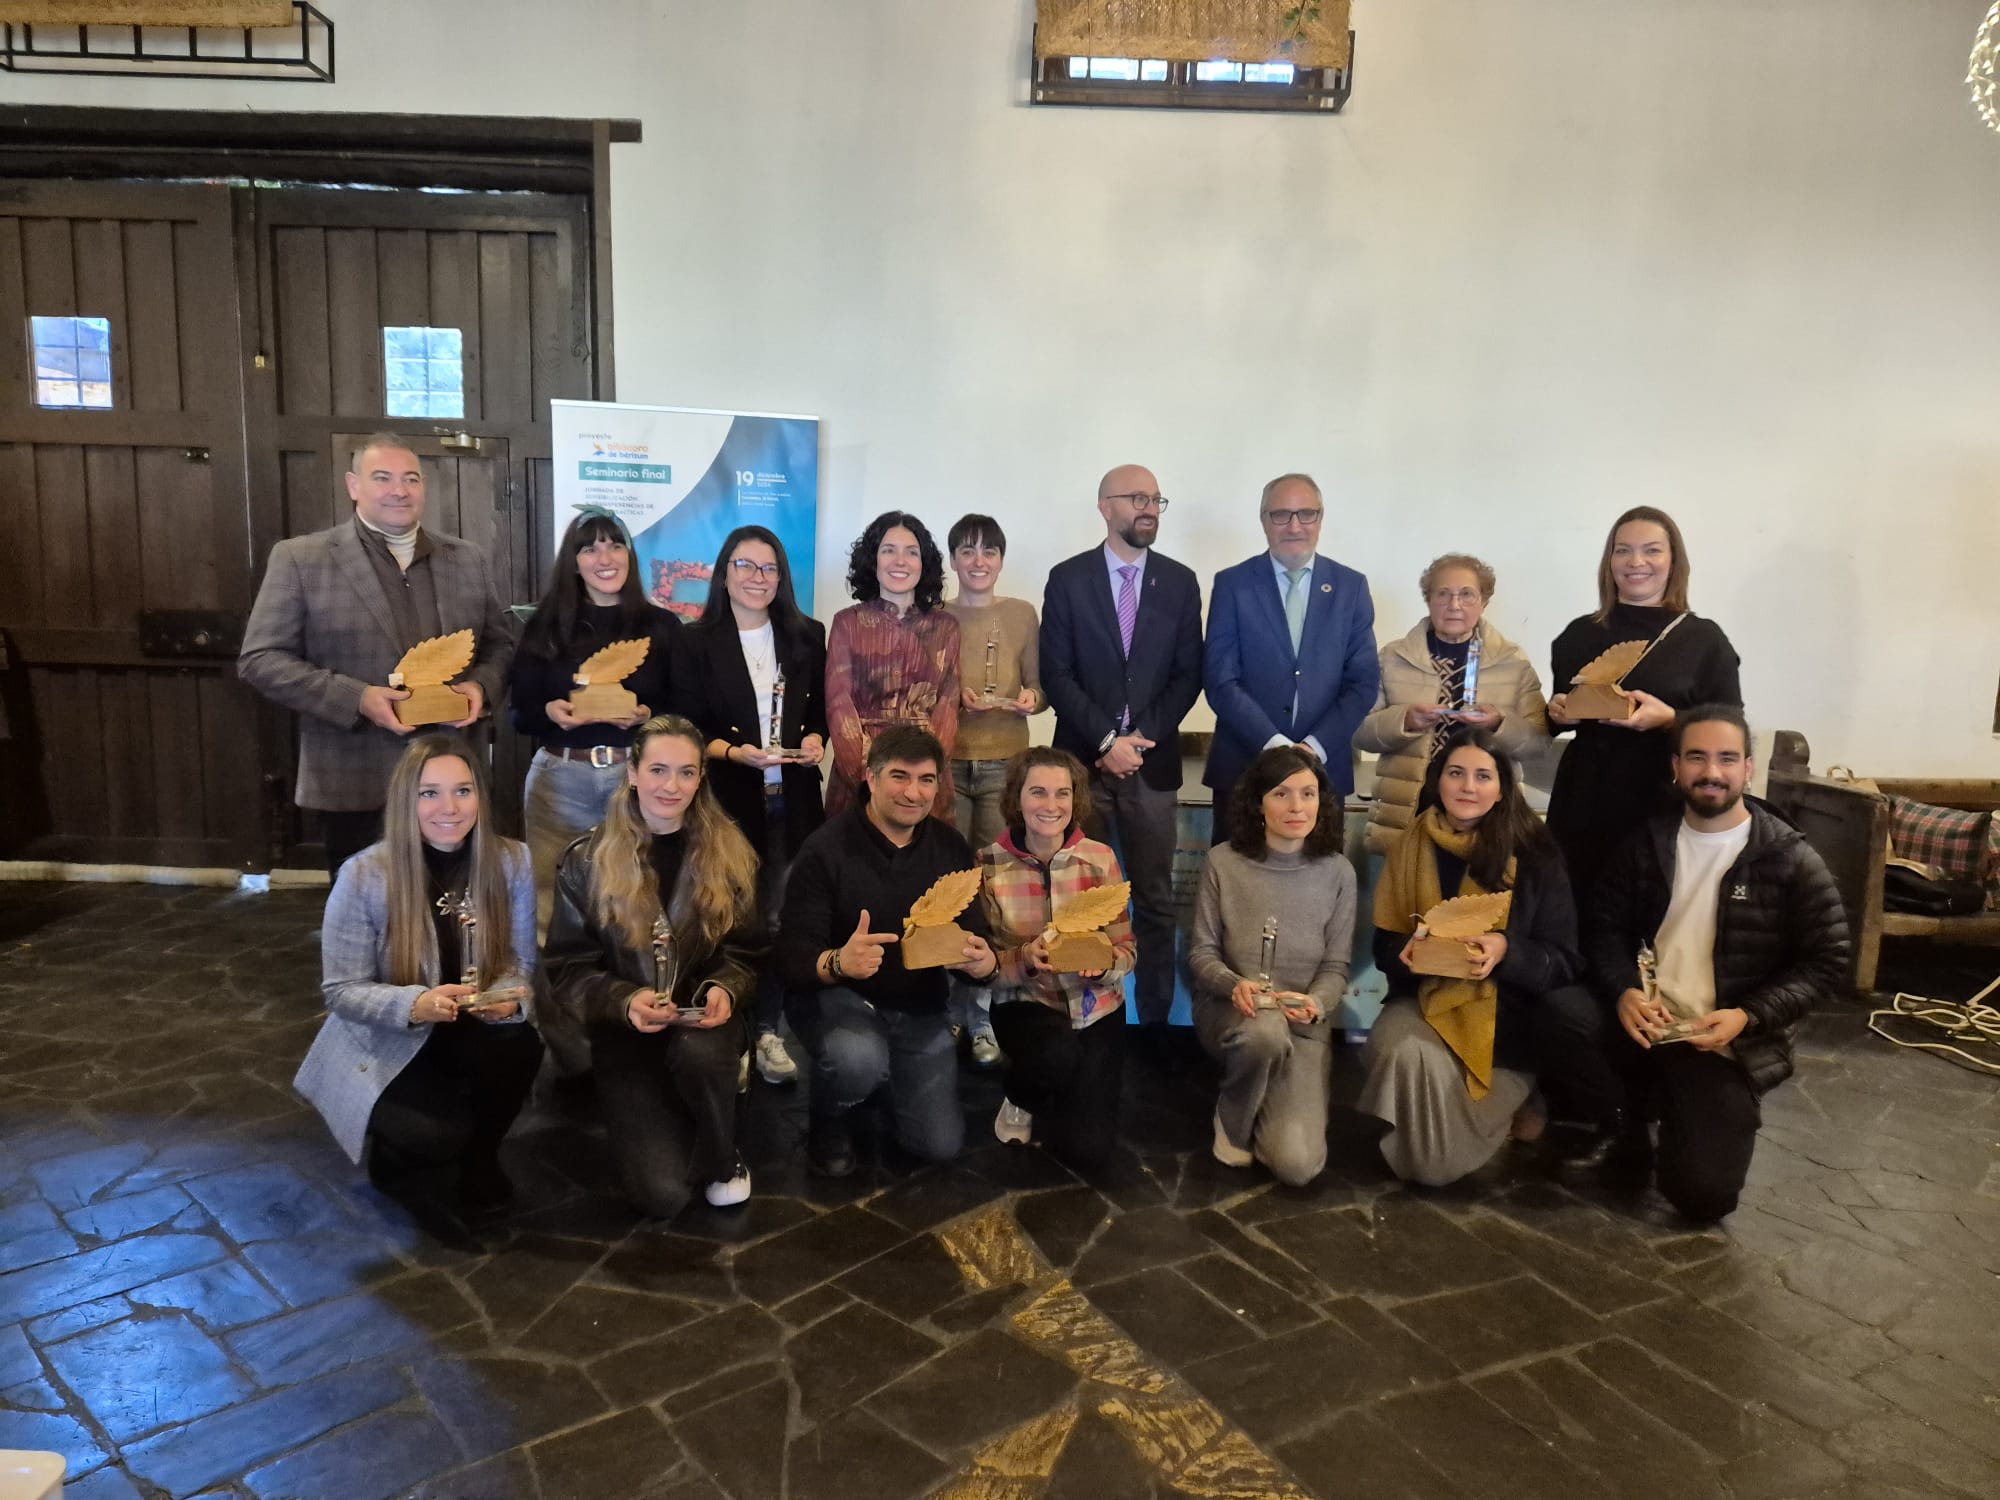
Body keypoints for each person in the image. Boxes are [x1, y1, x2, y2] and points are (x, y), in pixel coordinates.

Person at [1563, 705, 1849, 1221]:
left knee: (1703, 1198)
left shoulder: (1790, 858)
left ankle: (1686, 1112)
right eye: (1696, 757)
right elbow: (1605, 929)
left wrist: (1749, 1016)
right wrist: (1625, 989)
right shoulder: (1646, 843)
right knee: (1559, 1012)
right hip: (1643, 1022)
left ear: (1747, 768)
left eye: (1725, 758)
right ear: (1675, 766)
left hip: (1718, 1040)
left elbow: (1827, 962)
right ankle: (1628, 1121)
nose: (1710, 772)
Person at [239, 433, 514, 875]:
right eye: (382, 477)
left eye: (411, 479)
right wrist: (358, 699)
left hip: (452, 781)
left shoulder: (468, 559)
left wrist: (482, 687)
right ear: (353, 485)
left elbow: (499, 645)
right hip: (355, 778)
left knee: (456, 909)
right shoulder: (301, 559)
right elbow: (260, 659)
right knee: (368, 915)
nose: (399, 490)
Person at [294, 734, 542, 1218]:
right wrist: (413, 1005)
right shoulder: (364, 875)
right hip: (389, 1037)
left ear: (480, 797)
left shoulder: (512, 861)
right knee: (432, 1138)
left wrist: (507, 996)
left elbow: (520, 961)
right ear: (406, 800)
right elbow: (341, 990)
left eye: (463, 790)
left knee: (522, 1044)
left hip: (472, 1025)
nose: (448, 807)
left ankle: (482, 1156)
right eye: (429, 793)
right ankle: (397, 1142)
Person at [543, 715, 762, 1217]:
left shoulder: (731, 851)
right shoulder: (587, 859)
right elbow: (567, 969)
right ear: (633, 771)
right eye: (658, 770)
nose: (672, 785)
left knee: (700, 1055)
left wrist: (724, 988)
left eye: (686, 772)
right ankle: (696, 1113)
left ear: (701, 778)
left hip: (705, 1027)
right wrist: (624, 1001)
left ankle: (723, 1148)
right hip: (627, 1034)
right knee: (663, 1195)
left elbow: (749, 952)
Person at [1360, 731, 1597, 1185]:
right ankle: (1429, 1132)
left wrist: (1508, 950)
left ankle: (1516, 1099)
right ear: (1438, 781)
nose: (1468, 786)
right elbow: (1383, 947)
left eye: (1483, 776)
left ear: (1503, 788)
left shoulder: (1536, 853)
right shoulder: (1411, 843)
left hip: (1505, 1023)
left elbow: (1565, 961)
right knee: (1393, 1049)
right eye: (1456, 773)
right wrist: (1405, 953)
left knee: (1434, 1166)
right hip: (1428, 1002)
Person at [780, 724, 998, 1176]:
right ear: (871, 778)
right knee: (855, 1059)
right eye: (900, 776)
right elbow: (794, 957)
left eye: (926, 780)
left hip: (920, 1010)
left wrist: (983, 962)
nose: (914, 793)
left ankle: (880, 1082)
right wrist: (840, 962)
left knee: (939, 1145)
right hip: (838, 1000)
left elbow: (977, 938)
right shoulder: (826, 848)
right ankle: (829, 1113)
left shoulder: (950, 847)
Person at [1040, 465, 1203, 1040]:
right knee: (1080, 900)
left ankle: (1153, 1026)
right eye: (1137, 498)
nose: (1149, 508)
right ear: (1105, 506)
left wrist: (1136, 743)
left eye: (1156, 498)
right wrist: (1107, 742)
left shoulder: (1180, 582)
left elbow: (1188, 675)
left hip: (1151, 769)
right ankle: (1083, 1024)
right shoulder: (1067, 579)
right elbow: (1055, 674)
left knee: (1155, 903)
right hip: (1081, 768)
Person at [673, 525, 828, 1086]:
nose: (757, 578)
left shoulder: (807, 635)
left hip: (794, 801)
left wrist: (815, 742)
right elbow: (688, 726)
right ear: (724, 573)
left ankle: (767, 1031)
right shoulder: (694, 642)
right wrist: (735, 752)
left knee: (782, 921)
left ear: (781, 578)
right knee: (729, 918)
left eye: (769, 569)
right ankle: (728, 1032)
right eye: (745, 566)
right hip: (727, 802)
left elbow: (819, 717)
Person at [1546, 507, 1741, 899]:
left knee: (1648, 919)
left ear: (1673, 561)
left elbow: (1731, 730)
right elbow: (1558, 719)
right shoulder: (1577, 635)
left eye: (1651, 550)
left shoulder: (1704, 640)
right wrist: (1555, 714)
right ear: (1609, 561)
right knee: (1576, 915)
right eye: (1623, 551)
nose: (1636, 562)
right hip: (1584, 802)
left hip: (1661, 804)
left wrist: (1670, 719)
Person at [1189, 745, 1355, 1184]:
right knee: (1264, 1031)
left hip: (1302, 1023)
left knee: (1296, 1166)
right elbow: (1201, 954)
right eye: (1281, 794)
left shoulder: (1339, 872)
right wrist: (1232, 985)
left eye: (1308, 793)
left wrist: (1316, 1003)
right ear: (1258, 803)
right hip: (1233, 1012)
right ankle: (1234, 1118)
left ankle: (1271, 1091)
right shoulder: (1222, 862)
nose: (1297, 806)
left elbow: (1337, 967)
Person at [510, 508, 681, 932]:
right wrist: (548, 711)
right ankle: (551, 995)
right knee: (548, 901)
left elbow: (684, 709)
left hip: (635, 780)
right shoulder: (545, 625)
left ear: (630, 555)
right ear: (574, 562)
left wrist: (648, 717)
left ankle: (631, 993)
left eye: (615, 545)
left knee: (635, 897)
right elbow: (520, 713)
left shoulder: (661, 625)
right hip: (559, 780)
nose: (605, 558)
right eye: (590, 549)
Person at [977, 748, 1136, 1171]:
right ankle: (1020, 1095)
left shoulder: (1099, 859)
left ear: (1075, 798)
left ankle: (1063, 1091)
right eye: (1038, 793)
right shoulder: (988, 865)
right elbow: (986, 970)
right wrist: (1023, 959)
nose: (1051, 806)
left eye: (1062, 794)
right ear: (1017, 796)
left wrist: (1104, 965)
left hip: (1097, 1007)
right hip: (1027, 1005)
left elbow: (1127, 950)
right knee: (1054, 1058)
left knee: (1087, 1151)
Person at [1203, 473, 1378, 844]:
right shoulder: (1233, 584)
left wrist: (1312, 748)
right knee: (1236, 886)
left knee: (1318, 887)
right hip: (1243, 768)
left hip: (1324, 771)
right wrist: (1277, 746)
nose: (1294, 526)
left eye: (1306, 514)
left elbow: (1362, 682)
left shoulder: (1351, 586)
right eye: (1281, 515)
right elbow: (1220, 679)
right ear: (1264, 521)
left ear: (1321, 518)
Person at [1355, 553, 1550, 855]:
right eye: (1442, 594)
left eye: (1466, 594)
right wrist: (1404, 721)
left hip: (1487, 818)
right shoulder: (1393, 658)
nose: (1454, 605)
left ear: (1484, 601)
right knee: (1408, 900)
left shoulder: (1513, 662)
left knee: (1478, 900)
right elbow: (1359, 731)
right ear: (1428, 599)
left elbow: (1539, 742)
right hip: (1409, 810)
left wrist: (1499, 724)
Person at [943, 513, 1046, 1069]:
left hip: (1005, 763)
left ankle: (983, 1011)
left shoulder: (1022, 614)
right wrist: (950, 694)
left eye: (988, 551)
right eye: (966, 550)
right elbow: (925, 688)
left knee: (993, 890)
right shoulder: (938, 617)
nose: (978, 561)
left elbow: (1040, 685)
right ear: (953, 559)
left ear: (1001, 559)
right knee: (948, 886)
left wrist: (1030, 698)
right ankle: (948, 1008)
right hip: (948, 765)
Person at [824, 511, 960, 822]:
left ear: (923, 562)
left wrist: (925, 776)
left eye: (911, 552)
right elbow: (838, 704)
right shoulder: (847, 623)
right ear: (873, 560)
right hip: (861, 775)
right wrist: (868, 779)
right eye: (889, 550)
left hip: (927, 776)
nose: (900, 560)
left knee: (929, 865)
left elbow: (949, 705)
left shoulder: (947, 627)